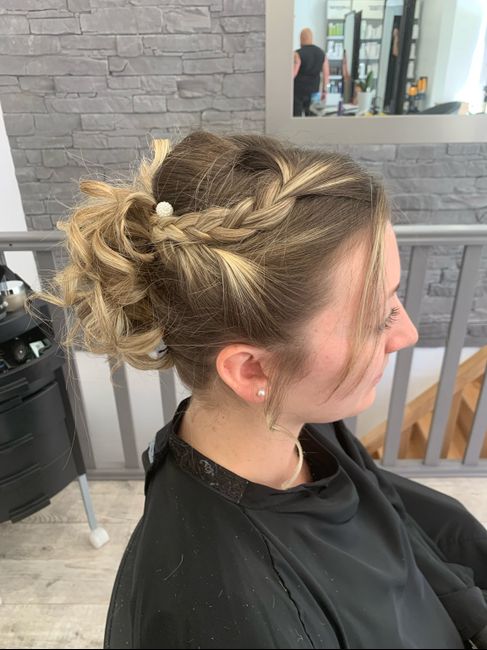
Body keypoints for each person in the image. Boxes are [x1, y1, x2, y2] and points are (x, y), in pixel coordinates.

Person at [26, 130, 487, 649]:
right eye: (377, 319)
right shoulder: (230, 613)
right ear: (251, 372)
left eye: (394, 301)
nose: (407, 335)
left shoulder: (302, 429)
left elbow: (407, 537)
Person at [293, 28, 328, 116]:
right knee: (312, 119)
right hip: (314, 92)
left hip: (298, 93)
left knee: (296, 119)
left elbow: (294, 73)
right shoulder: (322, 53)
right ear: (311, 38)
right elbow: (326, 74)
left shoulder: (297, 53)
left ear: (301, 39)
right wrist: (324, 91)